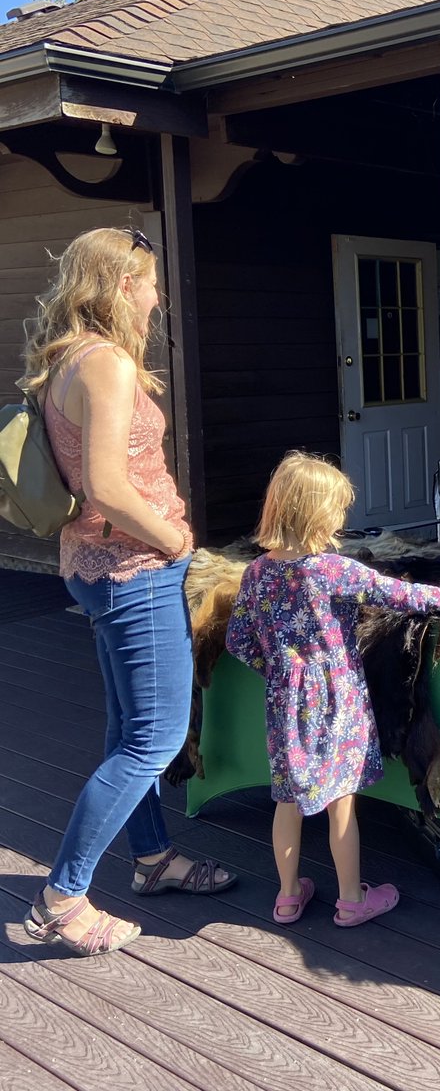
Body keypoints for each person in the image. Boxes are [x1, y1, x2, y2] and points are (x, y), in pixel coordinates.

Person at [20, 226, 236, 958]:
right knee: (154, 738)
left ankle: (152, 860)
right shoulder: (106, 364)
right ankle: (62, 897)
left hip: (91, 568)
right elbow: (108, 487)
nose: (156, 296)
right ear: (120, 286)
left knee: (126, 730)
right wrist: (177, 541)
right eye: (148, 282)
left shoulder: (66, 360)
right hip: (134, 571)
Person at [225, 450, 440, 928]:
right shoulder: (336, 571)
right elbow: (409, 596)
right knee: (342, 805)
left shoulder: (256, 574)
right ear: (319, 514)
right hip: (339, 704)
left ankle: (289, 897)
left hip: (285, 704)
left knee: (287, 801)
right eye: (337, 508)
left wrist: (281, 673)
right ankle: (352, 899)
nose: (341, 517)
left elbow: (238, 640)